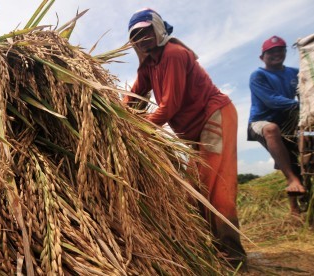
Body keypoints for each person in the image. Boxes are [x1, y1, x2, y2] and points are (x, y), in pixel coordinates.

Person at [123, 8, 246, 269]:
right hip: (193, 131)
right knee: (195, 188)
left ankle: (233, 255)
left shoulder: (174, 55)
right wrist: (117, 115)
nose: (143, 39)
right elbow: (134, 97)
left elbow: (170, 106)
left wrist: (136, 128)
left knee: (217, 185)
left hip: (214, 116)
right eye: (136, 36)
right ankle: (211, 247)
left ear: (158, 30)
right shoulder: (149, 66)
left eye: (146, 32)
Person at [247, 35, 306, 214]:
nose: (276, 54)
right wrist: (302, 105)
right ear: (262, 57)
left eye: (280, 49)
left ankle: (300, 200)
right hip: (262, 123)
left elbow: (306, 90)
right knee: (272, 130)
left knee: (306, 139)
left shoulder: (295, 72)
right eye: (271, 52)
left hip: (289, 123)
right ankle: (291, 181)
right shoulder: (258, 75)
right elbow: (273, 101)